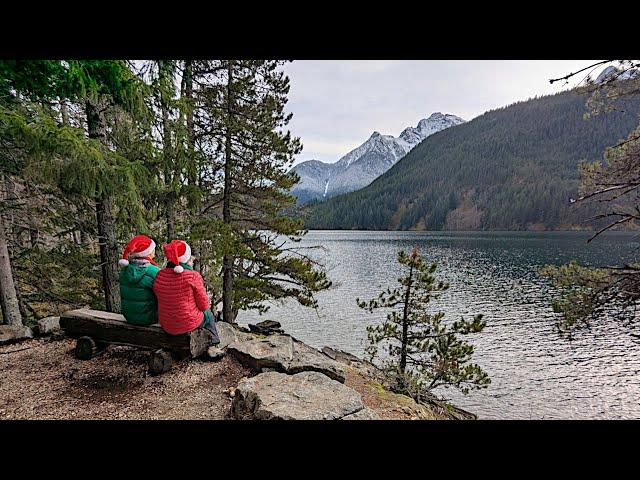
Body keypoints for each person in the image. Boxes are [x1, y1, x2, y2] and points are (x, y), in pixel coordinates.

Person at [152, 240, 220, 347]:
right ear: (187, 259)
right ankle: (213, 343)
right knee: (208, 315)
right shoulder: (193, 276)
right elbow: (203, 306)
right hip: (186, 324)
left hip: (166, 324)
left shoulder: (160, 275)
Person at [118, 234, 160, 325]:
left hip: (129, 316)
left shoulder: (124, 270)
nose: (154, 252)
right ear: (148, 253)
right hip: (149, 317)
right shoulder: (154, 271)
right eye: (153, 250)